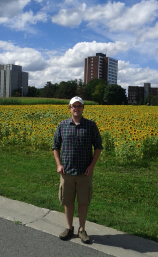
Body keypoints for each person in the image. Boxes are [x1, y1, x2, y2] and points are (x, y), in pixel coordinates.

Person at [52, 96, 103, 244]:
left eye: (79, 106)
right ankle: (69, 228)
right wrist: (58, 164)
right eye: (74, 106)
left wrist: (91, 166)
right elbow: (55, 146)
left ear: (83, 108)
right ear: (69, 108)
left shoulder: (91, 125)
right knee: (67, 201)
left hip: (84, 172)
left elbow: (98, 146)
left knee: (83, 202)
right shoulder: (62, 125)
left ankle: (82, 229)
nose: (76, 108)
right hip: (66, 171)